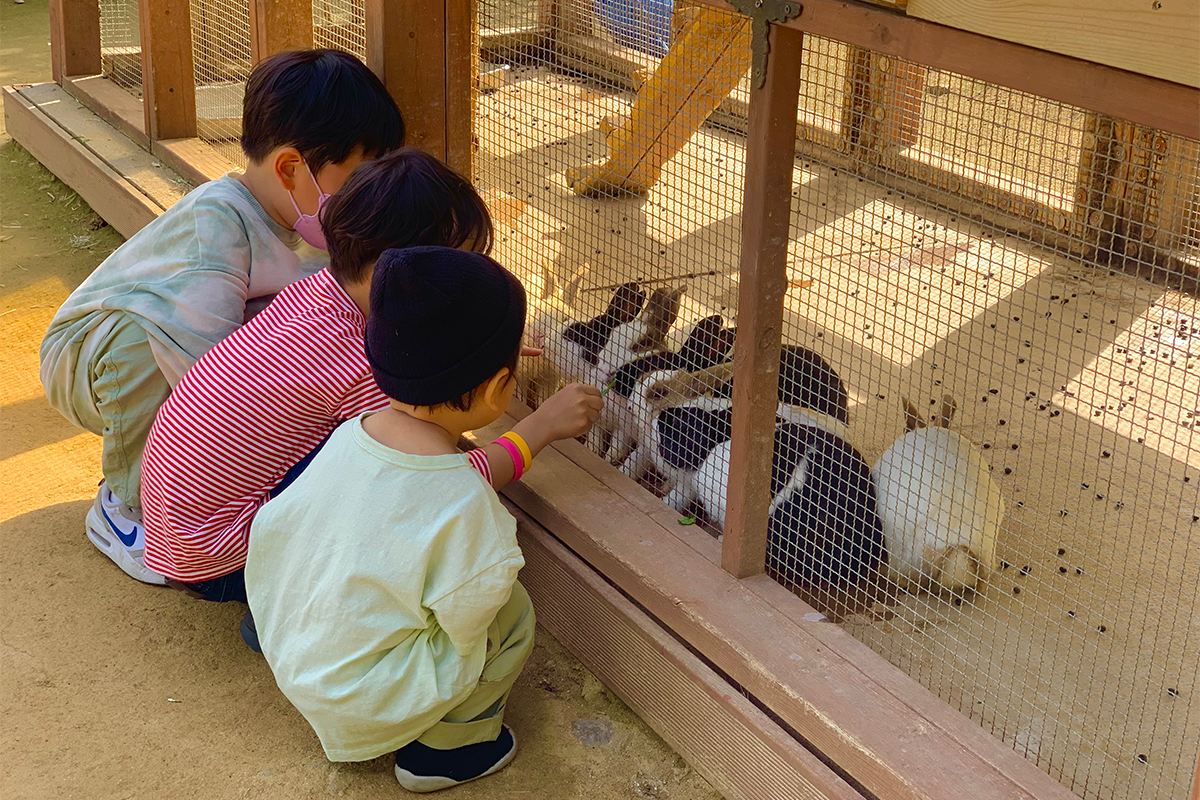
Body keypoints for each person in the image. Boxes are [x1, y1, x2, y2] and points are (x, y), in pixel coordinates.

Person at [140, 149, 591, 642]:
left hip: (179, 530)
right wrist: (538, 429)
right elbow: (431, 478)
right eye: (455, 265)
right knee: (390, 487)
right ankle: (289, 607)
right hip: (224, 560)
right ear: (394, 274)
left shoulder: (314, 292)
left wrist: (466, 341)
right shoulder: (362, 367)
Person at [39, 49, 404, 585]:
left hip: (209, 347)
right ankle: (128, 505)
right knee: (141, 340)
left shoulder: (321, 226)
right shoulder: (218, 222)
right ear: (290, 169)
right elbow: (211, 382)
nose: (368, 198)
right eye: (356, 180)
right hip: (98, 359)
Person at [247, 246, 602, 791]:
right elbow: (472, 607)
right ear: (495, 391)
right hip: (360, 698)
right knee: (511, 613)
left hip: (295, 656)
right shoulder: (461, 497)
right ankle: (446, 753)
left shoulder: (348, 434)